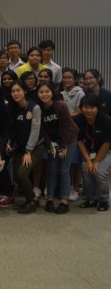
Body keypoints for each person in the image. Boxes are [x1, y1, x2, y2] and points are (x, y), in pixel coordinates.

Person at [37, 82, 79, 214]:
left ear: (52, 92)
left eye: (47, 91)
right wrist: (49, 145)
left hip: (69, 139)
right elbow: (42, 130)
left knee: (64, 169)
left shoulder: (60, 105)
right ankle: (49, 199)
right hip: (53, 141)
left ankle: (64, 201)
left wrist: (65, 145)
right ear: (37, 94)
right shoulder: (38, 108)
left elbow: (67, 125)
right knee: (52, 169)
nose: (44, 94)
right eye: (41, 92)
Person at [7, 81, 44, 214]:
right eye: (13, 91)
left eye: (18, 90)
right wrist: (10, 142)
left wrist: (28, 151)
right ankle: (33, 198)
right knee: (16, 173)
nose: (15, 93)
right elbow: (15, 129)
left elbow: (35, 131)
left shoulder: (35, 108)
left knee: (22, 173)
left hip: (36, 147)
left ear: (25, 92)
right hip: (21, 146)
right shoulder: (15, 107)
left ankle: (31, 202)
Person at [74, 94, 111, 211]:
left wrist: (96, 161)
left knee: (99, 172)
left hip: (107, 151)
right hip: (89, 152)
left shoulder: (106, 120)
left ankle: (104, 200)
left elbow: (107, 143)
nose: (88, 110)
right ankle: (91, 199)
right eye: (85, 107)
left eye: (92, 107)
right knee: (86, 170)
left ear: (98, 108)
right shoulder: (78, 119)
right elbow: (79, 141)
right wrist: (89, 160)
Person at [61, 68, 85, 201]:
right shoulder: (60, 93)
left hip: (76, 130)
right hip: (63, 132)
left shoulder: (80, 93)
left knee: (76, 162)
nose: (66, 80)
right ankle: (67, 186)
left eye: (69, 77)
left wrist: (64, 116)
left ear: (75, 79)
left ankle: (75, 188)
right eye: (64, 77)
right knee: (67, 163)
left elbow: (79, 112)